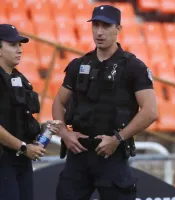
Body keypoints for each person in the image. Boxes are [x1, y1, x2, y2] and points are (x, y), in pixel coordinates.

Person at [52, 5, 158, 200]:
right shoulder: (79, 65)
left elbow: (151, 111)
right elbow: (58, 102)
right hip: (78, 154)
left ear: (118, 29)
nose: (99, 32)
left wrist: (118, 138)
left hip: (112, 155)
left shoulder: (134, 67)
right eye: (96, 25)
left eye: (106, 26)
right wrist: (64, 134)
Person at [0, 24, 60, 200]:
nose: (19, 49)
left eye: (20, 45)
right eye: (12, 45)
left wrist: (43, 129)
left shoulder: (20, 79)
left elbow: (19, 120)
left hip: (22, 160)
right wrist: (24, 147)